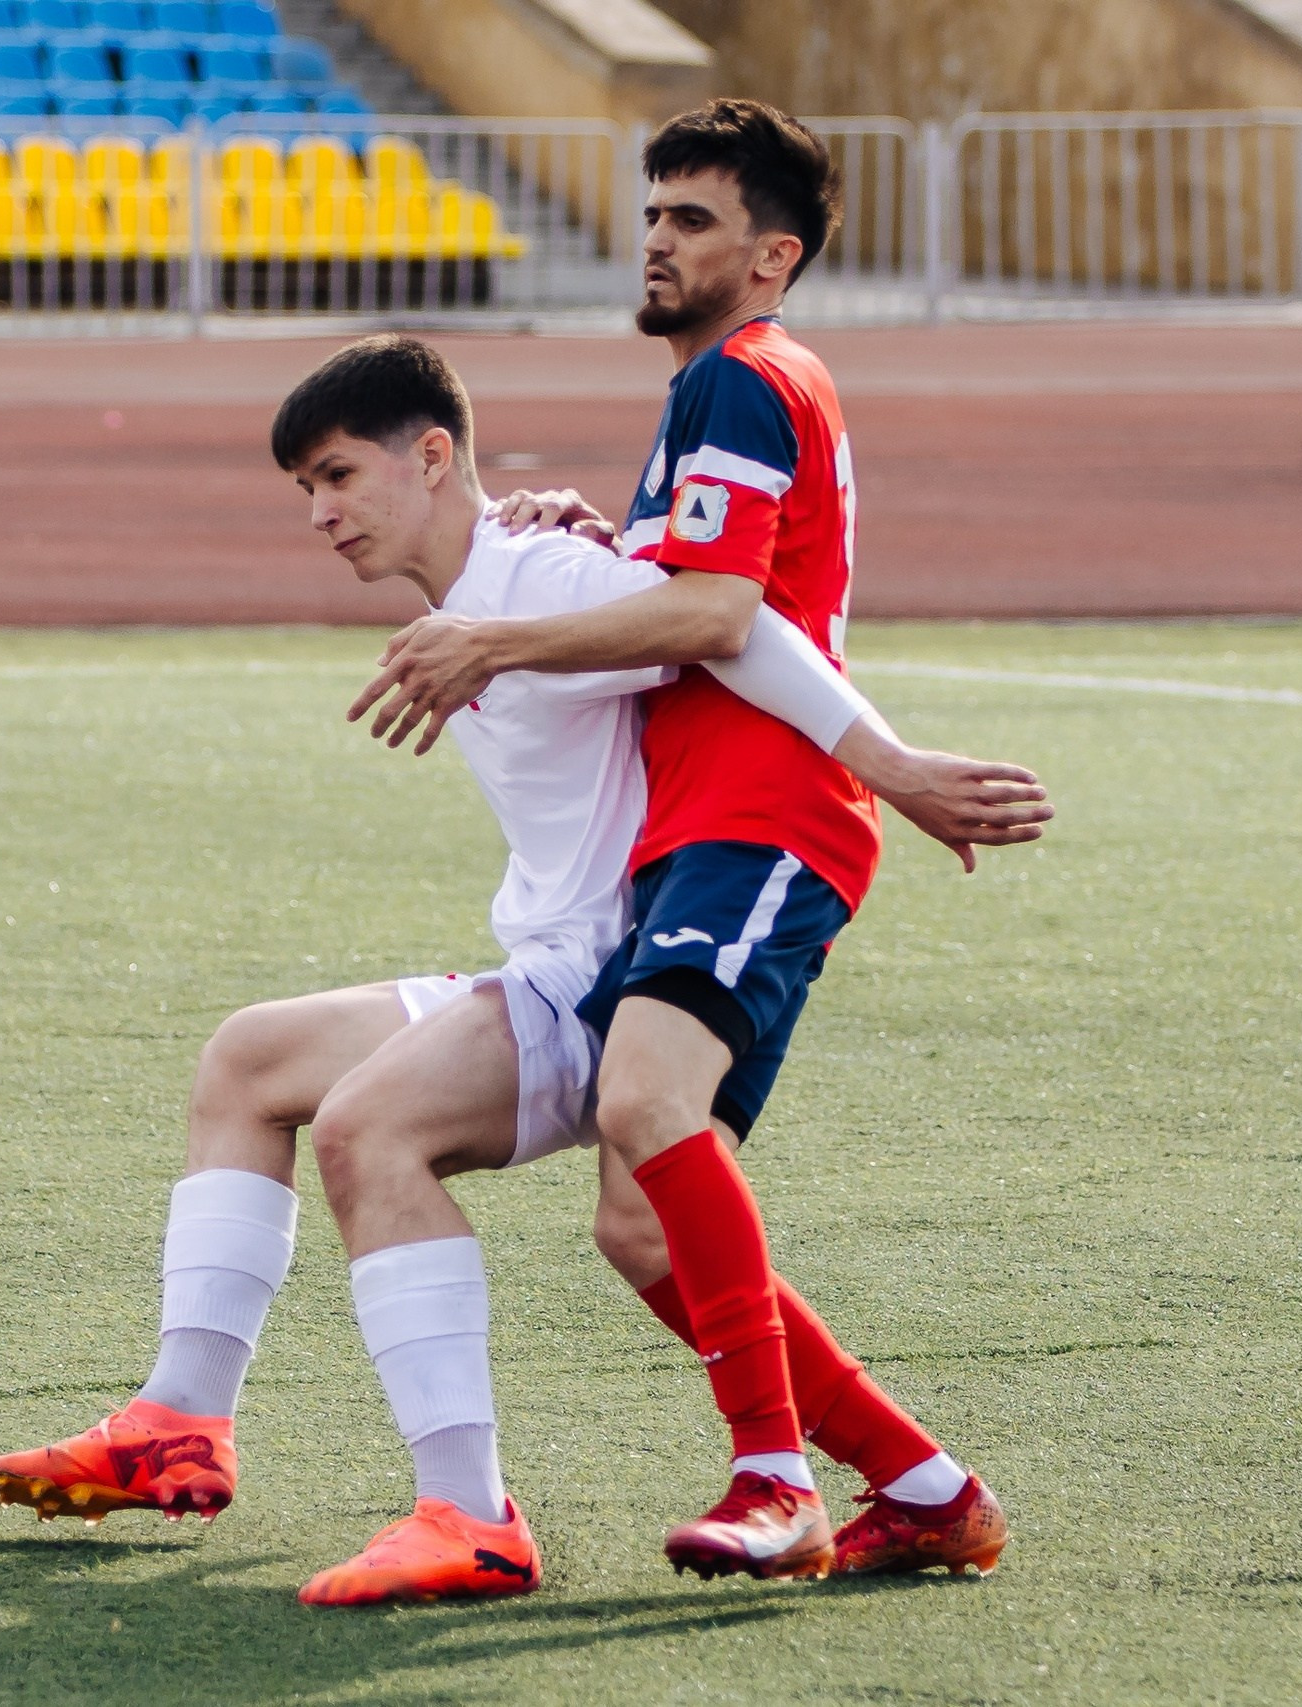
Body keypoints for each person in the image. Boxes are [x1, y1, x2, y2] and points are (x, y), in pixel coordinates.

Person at [0, 334, 1050, 1604]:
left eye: (336, 477)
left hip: (606, 978)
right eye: (303, 492)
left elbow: (728, 627)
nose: (320, 515)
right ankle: (177, 1422)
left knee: (373, 1133)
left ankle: (470, 1513)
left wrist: (891, 763)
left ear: (432, 457)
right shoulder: (490, 588)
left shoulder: (537, 570)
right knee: (251, 1060)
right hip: (546, 960)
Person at [351, 99, 1027, 1585]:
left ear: (773, 256)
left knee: (646, 1100)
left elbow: (724, 620)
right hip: (709, 826)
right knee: (642, 1226)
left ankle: (774, 1477)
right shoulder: (718, 393)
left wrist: (501, 638)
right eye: (654, 214)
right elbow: (724, 598)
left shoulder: (746, 378)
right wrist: (612, 545)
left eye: (696, 220)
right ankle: (922, 1484)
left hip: (759, 816)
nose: (658, 240)